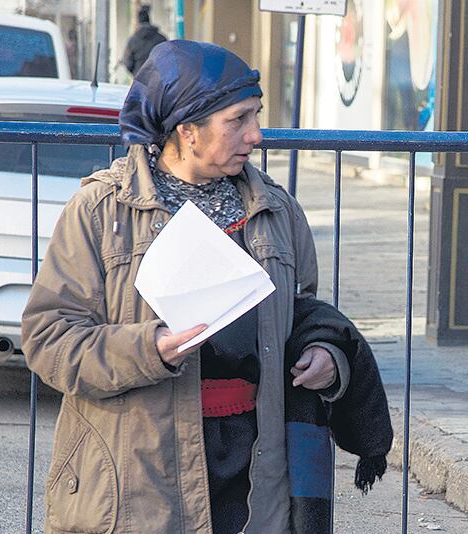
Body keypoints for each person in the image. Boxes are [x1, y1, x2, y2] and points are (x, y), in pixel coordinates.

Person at [22, 40, 392, 534]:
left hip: (257, 466)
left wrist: (326, 354)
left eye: (256, 116)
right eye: (237, 120)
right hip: (138, 472)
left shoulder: (276, 211)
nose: (256, 135)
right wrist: (149, 347)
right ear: (187, 130)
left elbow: (301, 315)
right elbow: (49, 339)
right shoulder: (101, 211)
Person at [121, 4, 167, 76]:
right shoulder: (161, 39)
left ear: (139, 22)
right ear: (149, 20)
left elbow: (127, 62)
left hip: (140, 80)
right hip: (159, 80)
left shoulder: (133, 41)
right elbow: (168, 60)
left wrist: (136, 73)